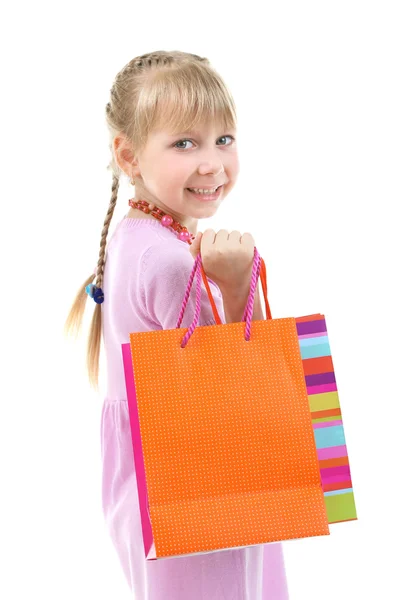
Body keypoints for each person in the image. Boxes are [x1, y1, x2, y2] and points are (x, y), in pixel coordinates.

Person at [64, 50, 289, 599]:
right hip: (202, 482)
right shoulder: (168, 262)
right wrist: (237, 288)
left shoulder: (133, 239)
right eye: (184, 143)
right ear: (129, 155)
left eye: (224, 138)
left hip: (150, 476)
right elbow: (230, 389)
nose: (212, 162)